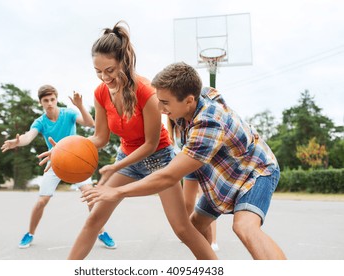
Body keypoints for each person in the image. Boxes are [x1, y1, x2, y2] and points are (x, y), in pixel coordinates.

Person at [39, 21, 217, 260]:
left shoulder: (147, 91)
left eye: (110, 70)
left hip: (159, 160)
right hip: (126, 159)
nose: (104, 77)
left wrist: (116, 166)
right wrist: (63, 150)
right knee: (93, 220)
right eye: (98, 71)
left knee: (182, 229)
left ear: (124, 61)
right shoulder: (100, 92)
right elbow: (100, 137)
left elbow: (150, 144)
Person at [83, 62, 287, 260]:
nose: (160, 108)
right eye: (159, 100)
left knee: (244, 226)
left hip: (254, 171)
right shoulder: (194, 98)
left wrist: (117, 191)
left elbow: (168, 176)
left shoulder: (207, 125)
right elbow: (210, 94)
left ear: (189, 100)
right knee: (195, 226)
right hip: (221, 176)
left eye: (165, 103)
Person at [1, 85, 116, 249]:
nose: (49, 103)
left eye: (52, 99)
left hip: (76, 159)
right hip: (54, 162)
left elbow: (90, 123)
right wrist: (17, 142)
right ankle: (30, 233)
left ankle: (101, 232)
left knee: (90, 195)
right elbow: (28, 137)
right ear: (41, 102)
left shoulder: (68, 113)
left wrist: (80, 106)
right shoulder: (40, 121)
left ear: (56, 99)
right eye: (45, 100)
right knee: (42, 201)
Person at [167, 118, 219, 252]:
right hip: (188, 166)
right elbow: (174, 148)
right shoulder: (172, 125)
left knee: (206, 204)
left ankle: (213, 241)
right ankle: (194, 232)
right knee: (187, 204)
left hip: (204, 164)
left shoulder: (192, 120)